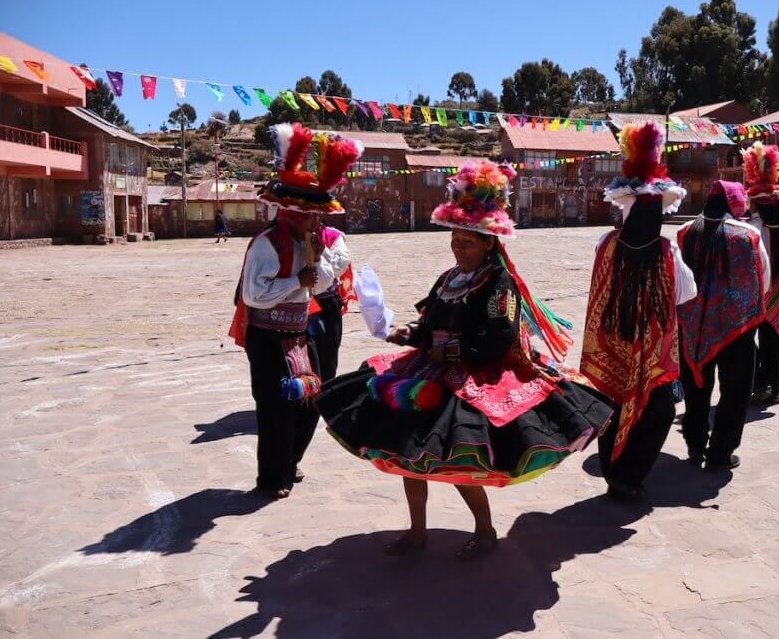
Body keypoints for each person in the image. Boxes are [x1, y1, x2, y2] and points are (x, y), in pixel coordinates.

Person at [316, 160, 613, 560]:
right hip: (429, 369)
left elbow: (498, 338)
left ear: (490, 241)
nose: (458, 247)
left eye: (467, 242)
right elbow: (431, 322)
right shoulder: (449, 278)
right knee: (405, 454)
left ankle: (485, 531)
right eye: (455, 240)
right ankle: (417, 531)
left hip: (474, 374)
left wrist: (449, 352)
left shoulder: (498, 283)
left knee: (461, 459)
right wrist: (408, 333)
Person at [227, 122, 363, 499]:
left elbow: (319, 284)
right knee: (274, 409)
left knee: (313, 397)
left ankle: (290, 461)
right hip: (268, 336)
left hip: (300, 333)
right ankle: (272, 478)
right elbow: (254, 295)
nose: (318, 221)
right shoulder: (266, 245)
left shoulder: (312, 242)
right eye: (312, 215)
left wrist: (314, 265)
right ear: (292, 212)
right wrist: (297, 281)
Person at [580, 122, 697, 502]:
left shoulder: (607, 244)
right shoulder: (667, 252)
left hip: (612, 341)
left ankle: (617, 473)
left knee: (613, 404)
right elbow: (686, 293)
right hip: (649, 348)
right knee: (658, 410)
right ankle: (627, 475)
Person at [675, 179, 770, 471]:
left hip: (693, 327)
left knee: (696, 387)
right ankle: (720, 453)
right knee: (735, 392)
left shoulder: (685, 232)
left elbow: (678, 281)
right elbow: (763, 279)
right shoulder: (749, 235)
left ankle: (695, 445)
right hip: (737, 328)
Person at [742, 142, 779, 407]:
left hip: (754, 294)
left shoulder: (748, 229)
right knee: (774, 343)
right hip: (777, 291)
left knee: (746, 342)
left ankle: (759, 383)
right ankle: (773, 388)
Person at [308, 223, 356, 382]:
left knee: (327, 355)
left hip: (326, 303)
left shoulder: (332, 236)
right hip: (295, 305)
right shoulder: (285, 236)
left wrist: (321, 253)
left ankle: (324, 393)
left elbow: (339, 266)